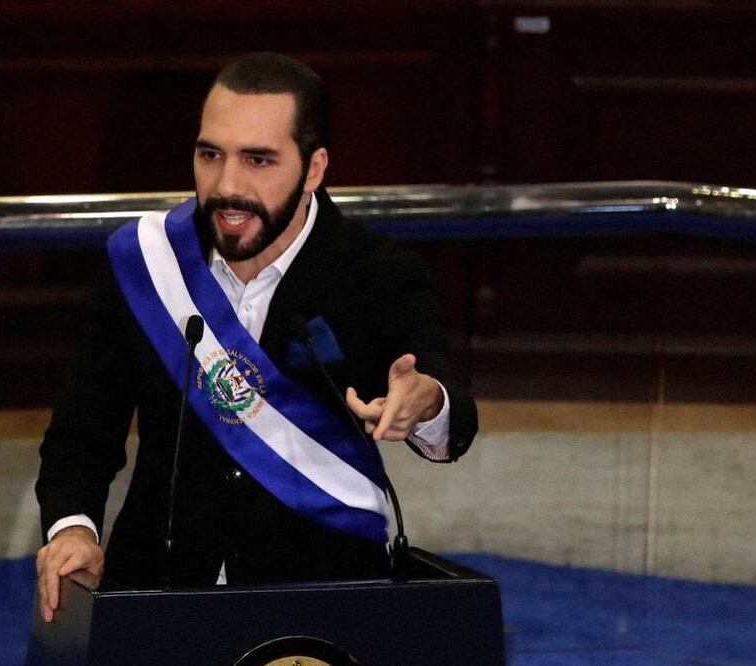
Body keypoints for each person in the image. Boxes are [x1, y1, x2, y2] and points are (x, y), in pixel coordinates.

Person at [34, 52, 477, 622]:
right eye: (210, 155)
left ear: (313, 169)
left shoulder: (374, 273)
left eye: (258, 160)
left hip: (325, 597)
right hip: (159, 590)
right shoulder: (147, 264)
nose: (227, 186)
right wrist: (72, 529)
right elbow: (82, 430)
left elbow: (450, 412)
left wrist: (427, 402)